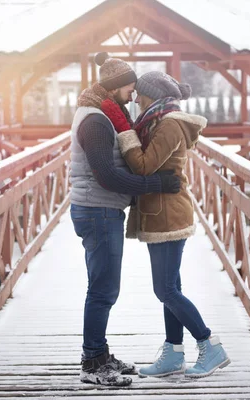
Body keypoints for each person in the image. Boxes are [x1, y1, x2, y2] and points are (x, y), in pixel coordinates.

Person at [70, 53, 182, 387]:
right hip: (97, 211)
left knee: (104, 286)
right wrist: (155, 184)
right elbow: (107, 176)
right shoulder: (96, 121)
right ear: (116, 87)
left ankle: (100, 353)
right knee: (103, 289)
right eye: (130, 86)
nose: (134, 93)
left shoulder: (104, 114)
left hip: (102, 210)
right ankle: (92, 362)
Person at [110, 71, 231, 379]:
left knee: (164, 289)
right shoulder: (156, 122)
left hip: (169, 214)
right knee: (170, 287)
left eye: (140, 94)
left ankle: (209, 344)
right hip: (159, 212)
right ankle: (174, 353)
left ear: (152, 96)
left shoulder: (169, 125)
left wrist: (125, 134)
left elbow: (143, 166)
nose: (136, 99)